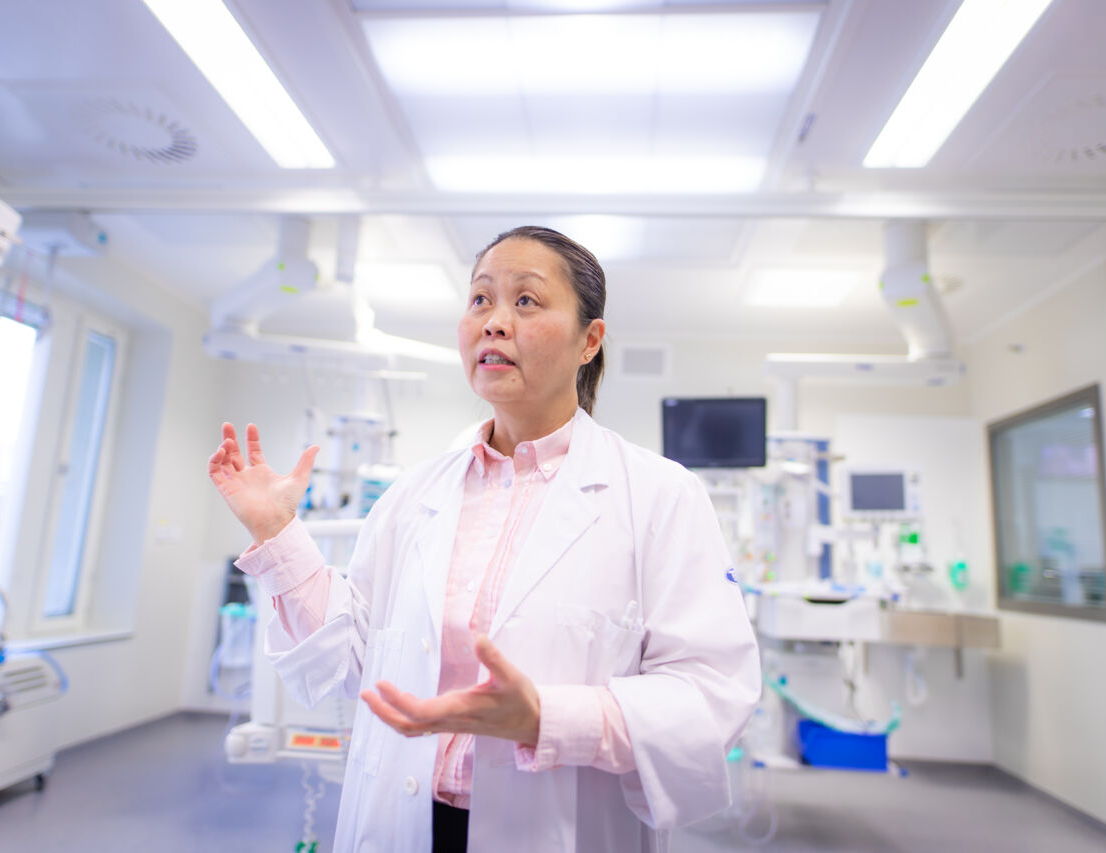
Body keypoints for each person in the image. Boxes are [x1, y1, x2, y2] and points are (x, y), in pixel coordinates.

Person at [208, 226, 761, 853]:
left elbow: (712, 694)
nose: (495, 322)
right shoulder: (413, 496)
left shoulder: (660, 494)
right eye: (480, 300)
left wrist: (545, 721)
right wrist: (278, 533)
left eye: (526, 300)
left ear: (590, 340)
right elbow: (356, 661)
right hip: (403, 819)